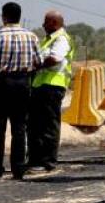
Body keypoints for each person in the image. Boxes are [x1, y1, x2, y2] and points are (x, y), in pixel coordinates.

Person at [0, 2, 41, 180]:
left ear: (4, 16)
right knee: (19, 128)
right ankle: (18, 168)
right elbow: (38, 61)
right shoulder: (32, 36)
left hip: (1, 82)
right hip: (22, 82)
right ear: (19, 16)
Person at [27, 11, 73, 172]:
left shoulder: (61, 39)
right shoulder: (48, 40)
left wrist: (35, 66)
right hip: (41, 86)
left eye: (45, 22)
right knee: (36, 125)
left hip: (53, 86)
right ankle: (35, 159)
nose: (43, 25)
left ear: (54, 23)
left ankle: (47, 161)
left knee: (48, 125)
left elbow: (54, 59)